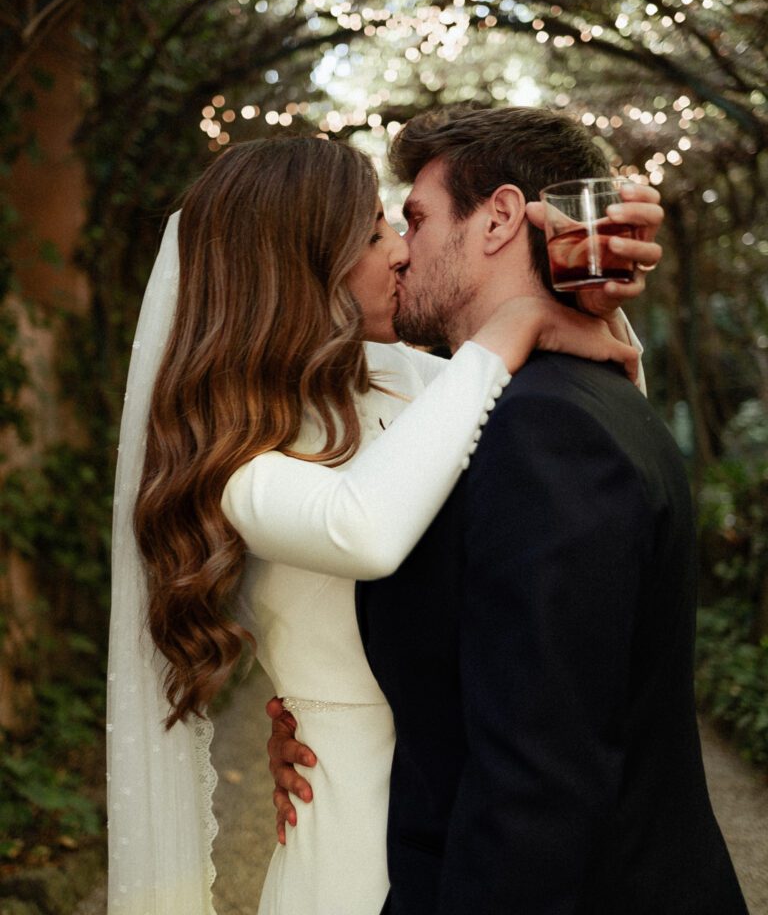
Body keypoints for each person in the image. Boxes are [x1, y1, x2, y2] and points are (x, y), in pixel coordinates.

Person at [107, 130, 656, 915]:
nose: (401, 251)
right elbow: (364, 526)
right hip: (351, 846)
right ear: (300, 268)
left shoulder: (417, 379)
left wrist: (595, 311)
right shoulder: (230, 462)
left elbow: (590, 446)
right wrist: (515, 329)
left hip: (469, 821)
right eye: (374, 232)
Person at [267, 108, 749, 914]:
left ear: (496, 219)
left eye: (415, 219)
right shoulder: (513, 404)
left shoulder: (545, 429)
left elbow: (537, 788)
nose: (400, 249)